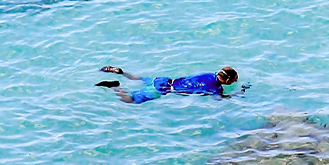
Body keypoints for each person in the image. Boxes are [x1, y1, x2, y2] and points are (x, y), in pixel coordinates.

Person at [96, 65, 239, 104]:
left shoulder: (208, 74)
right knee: (129, 100)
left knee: (139, 79)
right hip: (163, 89)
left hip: (164, 80)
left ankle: (122, 72)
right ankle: (115, 86)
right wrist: (235, 95)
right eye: (233, 81)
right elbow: (219, 99)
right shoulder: (216, 88)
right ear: (226, 81)